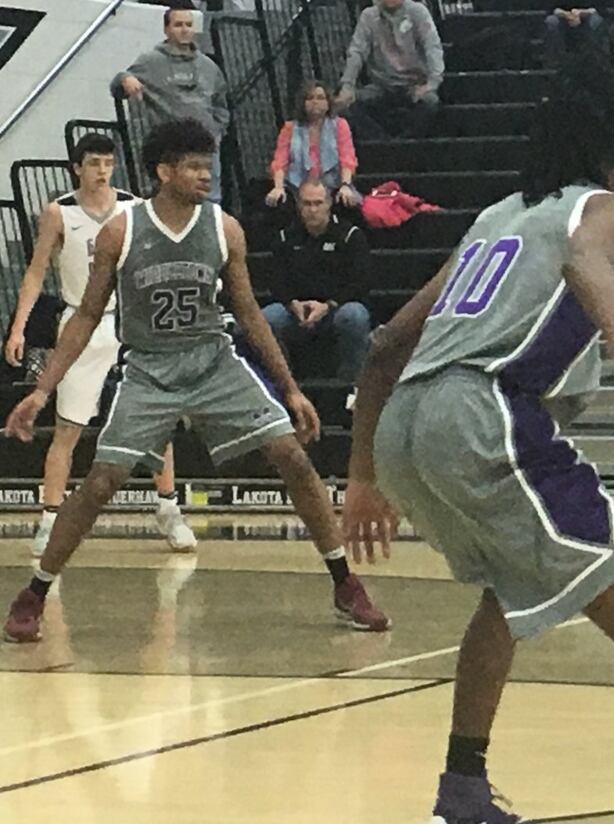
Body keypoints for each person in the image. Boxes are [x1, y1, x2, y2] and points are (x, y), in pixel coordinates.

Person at [339, 61, 614, 824]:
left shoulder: (496, 215)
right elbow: (584, 258)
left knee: (506, 593)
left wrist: (361, 477)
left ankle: (461, 800)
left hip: (407, 423)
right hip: (483, 408)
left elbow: (385, 343)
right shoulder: (610, 208)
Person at [3, 119, 389, 644]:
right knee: (99, 483)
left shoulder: (224, 227)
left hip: (213, 363)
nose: (206, 174)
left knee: (294, 458)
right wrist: (42, 390)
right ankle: (34, 593)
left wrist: (291, 388)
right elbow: (90, 314)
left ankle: (345, 583)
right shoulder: (122, 230)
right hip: (150, 370)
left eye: (208, 165)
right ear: (164, 171)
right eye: (193, 166)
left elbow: (249, 312)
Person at [2, 134, 195, 558]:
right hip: (79, 322)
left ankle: (168, 508)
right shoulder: (59, 213)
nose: (102, 171)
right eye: (94, 163)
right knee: (67, 428)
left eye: (108, 162)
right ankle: (51, 518)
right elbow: (35, 274)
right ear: (77, 168)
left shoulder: (133, 208)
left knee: (157, 422)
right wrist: (17, 329)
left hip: (130, 321)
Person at [111, 7, 228, 201]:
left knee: (209, 201)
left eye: (189, 25)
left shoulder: (209, 66)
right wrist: (125, 79)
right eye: (178, 24)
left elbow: (221, 104)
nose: (184, 30)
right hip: (170, 148)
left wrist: (217, 132)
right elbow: (117, 85)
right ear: (166, 29)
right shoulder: (150, 61)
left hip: (206, 148)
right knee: (171, 200)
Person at [264, 181, 374, 381]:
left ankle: (354, 383)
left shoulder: (350, 235)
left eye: (318, 203)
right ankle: (283, 381)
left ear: (329, 204)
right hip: (296, 312)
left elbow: (361, 281)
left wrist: (328, 305)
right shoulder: (284, 238)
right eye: (307, 204)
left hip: (336, 308)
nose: (313, 210)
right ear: (298, 206)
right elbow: (276, 280)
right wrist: (292, 303)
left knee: (354, 315)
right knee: (267, 319)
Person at [336, 0, 445, 140]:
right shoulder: (368, 16)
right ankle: (384, 144)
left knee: (430, 104)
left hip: (415, 84)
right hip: (381, 86)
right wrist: (347, 86)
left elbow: (432, 47)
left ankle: (405, 144)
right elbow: (357, 52)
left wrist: (432, 82)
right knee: (346, 108)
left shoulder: (418, 12)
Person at [267, 80, 361, 209]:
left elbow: (347, 158)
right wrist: (278, 187)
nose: (315, 102)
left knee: (349, 202)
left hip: (332, 184)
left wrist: (345, 185)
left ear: (328, 103)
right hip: (297, 185)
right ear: (303, 103)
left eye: (320, 98)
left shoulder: (340, 125)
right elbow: (280, 161)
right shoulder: (289, 128)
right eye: (310, 98)